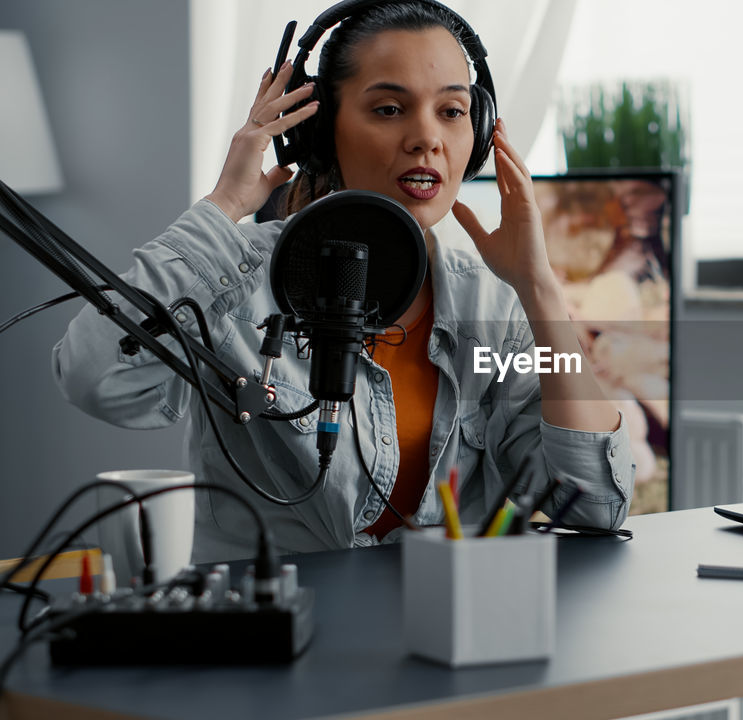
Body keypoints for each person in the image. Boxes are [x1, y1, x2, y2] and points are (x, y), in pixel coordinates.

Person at [52, 1, 635, 562]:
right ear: (321, 131)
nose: (426, 138)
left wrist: (538, 286)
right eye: (388, 109)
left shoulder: (493, 310)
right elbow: (96, 378)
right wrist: (224, 206)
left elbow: (594, 502)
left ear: (478, 135)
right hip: (270, 641)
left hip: (440, 635)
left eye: (452, 112)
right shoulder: (236, 282)